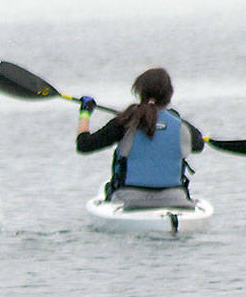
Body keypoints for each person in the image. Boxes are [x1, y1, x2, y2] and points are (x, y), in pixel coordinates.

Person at [76, 67, 205, 207]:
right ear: (169, 94)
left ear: (140, 92)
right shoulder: (181, 126)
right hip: (176, 198)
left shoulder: (124, 122)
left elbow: (84, 145)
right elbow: (199, 146)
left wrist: (85, 112)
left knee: (107, 188)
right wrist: (172, 118)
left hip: (129, 199)